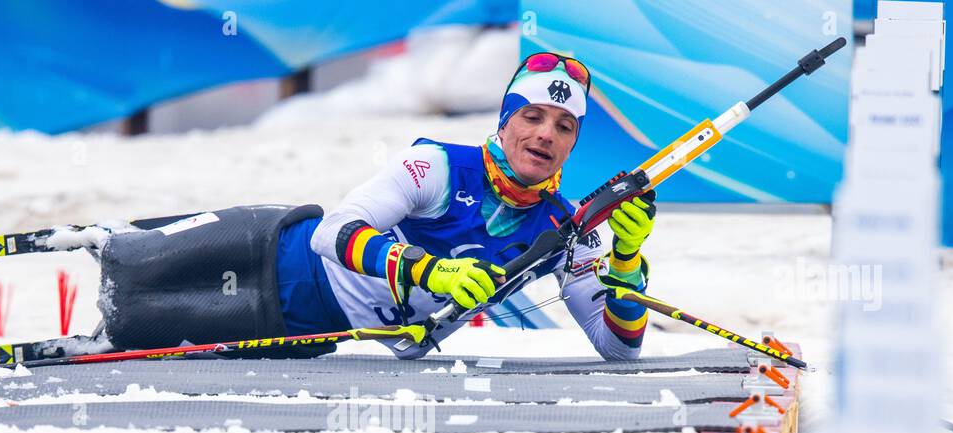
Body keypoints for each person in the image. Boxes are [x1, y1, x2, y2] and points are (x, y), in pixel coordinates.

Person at [94, 53, 657, 359]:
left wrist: (627, 256)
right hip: (271, 248)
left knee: (134, 331)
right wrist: (430, 269)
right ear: (505, 120)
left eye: (563, 126)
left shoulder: (565, 230)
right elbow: (331, 232)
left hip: (301, 328)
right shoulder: (438, 165)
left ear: (573, 143)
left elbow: (618, 348)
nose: (544, 135)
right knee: (127, 264)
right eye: (531, 116)